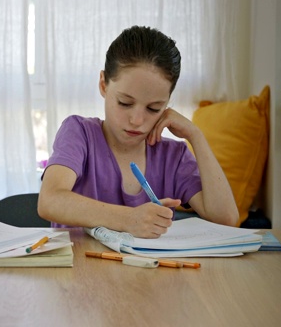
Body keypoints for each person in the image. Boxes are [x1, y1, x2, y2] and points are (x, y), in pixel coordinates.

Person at [38, 26, 238, 238]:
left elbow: (226, 219)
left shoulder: (174, 157)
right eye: (125, 103)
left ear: (167, 104)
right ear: (103, 85)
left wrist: (195, 136)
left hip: (147, 271)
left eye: (153, 108)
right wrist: (129, 219)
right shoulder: (79, 133)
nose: (137, 120)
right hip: (80, 269)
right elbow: (50, 200)